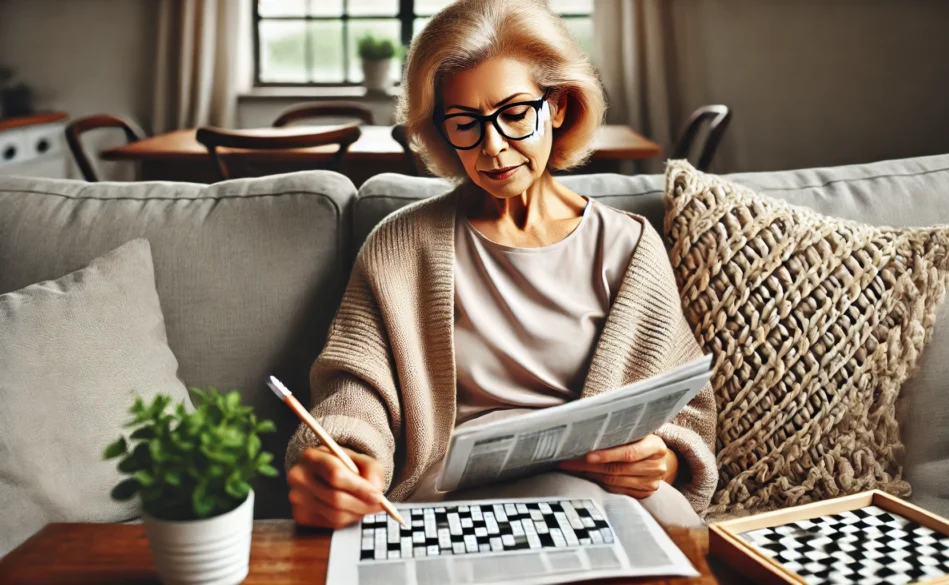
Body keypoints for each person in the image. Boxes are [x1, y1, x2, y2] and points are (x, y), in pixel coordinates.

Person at [284, 0, 717, 530]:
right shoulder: (399, 246)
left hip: (615, 502)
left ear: (557, 107)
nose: (492, 147)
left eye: (514, 115)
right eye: (465, 123)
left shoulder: (630, 248)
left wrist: (664, 457)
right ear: (441, 130)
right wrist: (341, 453)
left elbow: (686, 408)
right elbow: (356, 388)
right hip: (459, 508)